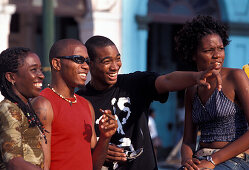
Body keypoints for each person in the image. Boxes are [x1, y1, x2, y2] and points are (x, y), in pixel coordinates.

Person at [76, 35, 222, 170]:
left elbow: (167, 80)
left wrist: (197, 76)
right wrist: (99, 150)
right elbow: (75, 146)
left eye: (118, 59)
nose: (115, 66)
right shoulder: (79, 101)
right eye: (107, 62)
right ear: (90, 64)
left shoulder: (134, 84)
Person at [175, 15, 249, 170]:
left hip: (237, 159)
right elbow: (188, 141)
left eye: (221, 48)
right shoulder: (192, 89)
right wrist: (186, 161)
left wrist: (212, 160)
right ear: (193, 54)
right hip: (202, 158)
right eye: (208, 50)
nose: (217, 55)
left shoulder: (236, 77)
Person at [31, 39, 118, 170]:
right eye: (78, 60)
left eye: (87, 61)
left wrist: (105, 137)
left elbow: (94, 166)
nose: (86, 66)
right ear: (57, 64)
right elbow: (42, 165)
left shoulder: (86, 105)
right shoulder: (43, 104)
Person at [0, 47, 46, 169]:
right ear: (11, 77)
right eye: (33, 70)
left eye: (40, 70)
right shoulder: (9, 109)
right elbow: (13, 162)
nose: (41, 75)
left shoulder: (24, 108)